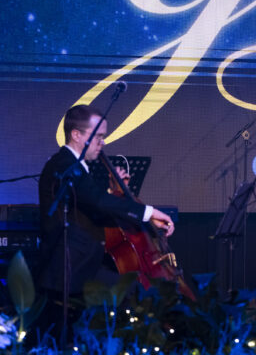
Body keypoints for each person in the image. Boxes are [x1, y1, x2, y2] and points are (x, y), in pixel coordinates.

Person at [37, 105, 175, 298]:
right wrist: (149, 213)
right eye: (98, 136)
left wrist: (114, 191)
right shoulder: (64, 165)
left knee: (140, 291)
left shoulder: (75, 165)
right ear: (76, 135)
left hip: (85, 264)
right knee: (141, 294)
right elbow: (97, 201)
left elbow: (89, 204)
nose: (102, 143)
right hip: (71, 270)